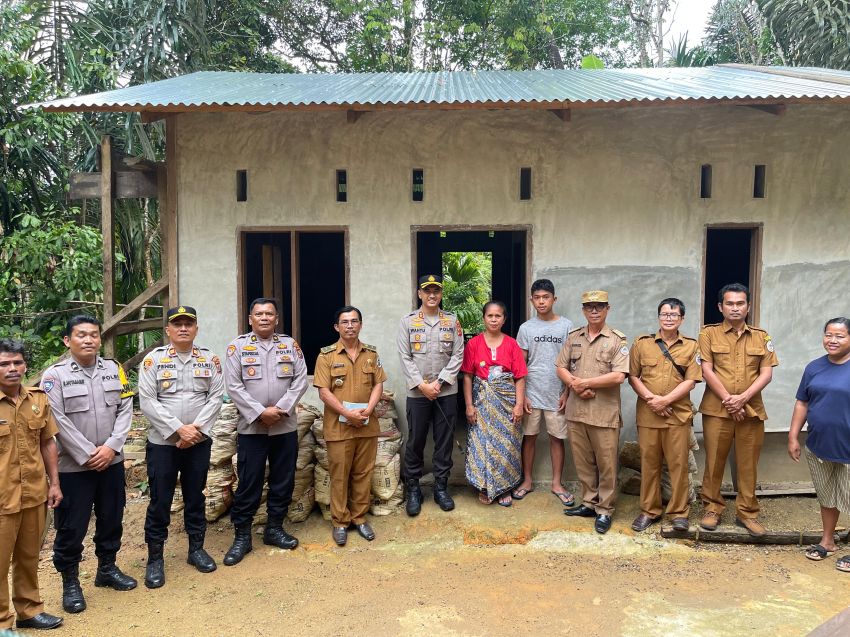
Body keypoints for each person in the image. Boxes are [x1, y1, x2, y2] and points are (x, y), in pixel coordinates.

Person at [41, 315, 137, 614]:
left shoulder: (114, 369)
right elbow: (57, 421)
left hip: (111, 461)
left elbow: (125, 409)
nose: (89, 340)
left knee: (112, 518)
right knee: (72, 527)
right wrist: (88, 454)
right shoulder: (53, 377)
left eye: (94, 335)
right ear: (68, 341)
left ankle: (106, 569)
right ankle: (71, 583)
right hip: (74, 467)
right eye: (81, 335)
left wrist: (110, 448)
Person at [138, 306, 224, 587]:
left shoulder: (210, 359)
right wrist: (179, 429)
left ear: (196, 328)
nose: (183, 328)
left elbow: (215, 397)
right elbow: (148, 401)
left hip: (198, 441)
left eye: (189, 323)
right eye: (178, 324)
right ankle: (155, 559)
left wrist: (195, 430)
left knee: (195, 495)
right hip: (163, 443)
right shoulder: (153, 361)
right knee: (160, 500)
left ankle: (196, 549)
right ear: (168, 330)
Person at [223, 298, 309, 565]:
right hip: (252, 428)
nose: (264, 318)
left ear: (276, 318)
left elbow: (300, 379)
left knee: (283, 479)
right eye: (258, 314)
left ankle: (274, 528)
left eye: (269, 313)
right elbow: (233, 386)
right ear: (250, 319)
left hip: (284, 426)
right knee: (249, 482)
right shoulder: (237, 347)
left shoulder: (289, 345)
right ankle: (242, 537)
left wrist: (280, 409)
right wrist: (260, 413)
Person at [698, 283, 778, 537]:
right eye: (730, 304)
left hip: (751, 410)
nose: (735, 308)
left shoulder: (761, 337)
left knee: (748, 463)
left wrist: (742, 399)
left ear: (748, 306)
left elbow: (766, 374)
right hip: (717, 409)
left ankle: (747, 512)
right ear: (720, 307)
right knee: (714, 462)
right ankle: (712, 508)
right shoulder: (708, 335)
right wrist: (728, 399)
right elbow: (706, 370)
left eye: (740, 303)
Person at [0, 339, 63, 631]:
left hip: (34, 493)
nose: (12, 369)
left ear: (25, 365)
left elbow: (47, 442)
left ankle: (29, 610)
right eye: (4, 364)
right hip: (2, 498)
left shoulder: (38, 400)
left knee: (28, 555)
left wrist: (54, 483)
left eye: (17, 363)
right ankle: (2, 621)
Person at [556, 290, 628, 534]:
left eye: (599, 306)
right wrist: (574, 384)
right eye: (589, 307)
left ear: (608, 308)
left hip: (603, 414)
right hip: (577, 412)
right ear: (583, 310)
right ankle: (589, 502)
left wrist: (582, 384)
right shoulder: (574, 337)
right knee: (584, 462)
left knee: (606, 464)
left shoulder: (617, 340)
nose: (594, 311)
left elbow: (619, 375)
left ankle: (605, 510)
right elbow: (561, 366)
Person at [628, 298, 701, 532]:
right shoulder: (642, 344)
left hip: (677, 415)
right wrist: (653, 401)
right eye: (664, 314)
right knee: (649, 464)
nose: (668, 318)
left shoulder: (691, 346)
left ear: (682, 319)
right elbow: (633, 376)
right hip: (649, 416)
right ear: (658, 317)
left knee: (678, 465)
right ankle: (649, 510)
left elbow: (691, 381)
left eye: (674, 315)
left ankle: (679, 513)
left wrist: (665, 401)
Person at [314, 306, 386, 546]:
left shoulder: (371, 354)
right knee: (340, 475)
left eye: (355, 321)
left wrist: (368, 409)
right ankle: (340, 522)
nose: (350, 326)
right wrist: (347, 413)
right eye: (345, 322)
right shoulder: (326, 356)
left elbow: (378, 384)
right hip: (339, 427)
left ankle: (359, 517)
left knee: (363, 474)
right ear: (337, 327)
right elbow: (324, 392)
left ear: (361, 325)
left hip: (366, 424)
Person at [397, 274, 464, 516]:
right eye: (428, 291)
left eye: (436, 290)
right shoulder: (408, 322)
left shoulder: (452, 321)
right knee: (416, 439)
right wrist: (422, 385)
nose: (432, 295)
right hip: (418, 393)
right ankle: (413, 489)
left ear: (441, 294)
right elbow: (405, 357)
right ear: (420, 294)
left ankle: (441, 487)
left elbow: (458, 354)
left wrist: (440, 382)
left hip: (446, 391)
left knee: (444, 440)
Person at [788, 317, 850, 568]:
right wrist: (793, 435)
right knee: (827, 497)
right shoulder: (813, 368)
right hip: (819, 446)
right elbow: (802, 402)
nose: (832, 340)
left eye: (840, 336)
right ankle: (827, 542)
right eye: (828, 335)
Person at [512, 279, 575, 506]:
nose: (541, 301)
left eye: (545, 297)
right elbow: (520, 364)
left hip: (557, 393)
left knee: (557, 439)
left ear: (554, 299)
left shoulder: (567, 326)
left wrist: (567, 393)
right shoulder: (526, 328)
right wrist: (523, 396)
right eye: (537, 297)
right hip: (531, 393)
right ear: (531, 300)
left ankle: (557, 483)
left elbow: (571, 363)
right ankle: (527, 481)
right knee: (528, 437)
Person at [461, 301, 528, 507]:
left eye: (498, 316)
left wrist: (518, 405)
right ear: (484, 318)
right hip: (481, 402)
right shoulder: (473, 344)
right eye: (490, 316)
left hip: (506, 403)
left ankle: (504, 486)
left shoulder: (511, 344)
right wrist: (469, 405)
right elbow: (467, 377)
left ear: (504, 319)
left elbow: (520, 377)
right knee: (482, 443)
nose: (493, 319)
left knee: (505, 443)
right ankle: (484, 485)